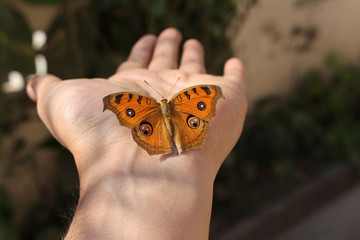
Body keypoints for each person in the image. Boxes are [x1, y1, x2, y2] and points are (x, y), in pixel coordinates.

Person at [26, 28, 247, 239]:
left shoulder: (145, 103)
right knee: (186, 126)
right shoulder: (183, 98)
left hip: (156, 123)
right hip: (183, 122)